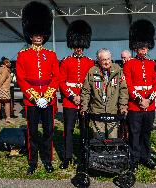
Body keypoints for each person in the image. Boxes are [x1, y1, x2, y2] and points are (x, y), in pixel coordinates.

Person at [16, 1, 59, 175]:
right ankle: (33, 161)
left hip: (47, 100)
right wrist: (35, 96)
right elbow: (21, 78)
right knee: (32, 133)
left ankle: (47, 160)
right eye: (35, 33)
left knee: (48, 132)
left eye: (40, 33)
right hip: (32, 100)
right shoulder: (22, 55)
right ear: (30, 35)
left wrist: (47, 96)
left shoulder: (51, 55)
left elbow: (56, 77)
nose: (38, 36)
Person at [123, 19, 156, 172]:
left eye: (145, 47)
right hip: (135, 106)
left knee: (146, 133)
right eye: (141, 47)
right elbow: (128, 85)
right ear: (136, 48)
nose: (144, 50)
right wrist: (139, 99)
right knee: (134, 134)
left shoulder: (152, 64)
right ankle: (134, 159)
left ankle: (146, 157)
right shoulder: (129, 64)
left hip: (149, 105)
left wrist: (149, 99)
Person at [59, 20, 94, 169]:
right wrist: (73, 96)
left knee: (85, 131)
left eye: (81, 46)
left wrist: (84, 98)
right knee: (68, 130)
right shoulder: (66, 62)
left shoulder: (90, 62)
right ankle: (67, 157)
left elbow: (92, 83)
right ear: (72, 45)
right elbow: (62, 82)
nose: (78, 48)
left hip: (85, 101)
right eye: (76, 45)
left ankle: (84, 156)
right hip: (69, 102)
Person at [81, 48, 128, 139]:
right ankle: (99, 152)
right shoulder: (92, 72)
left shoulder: (117, 70)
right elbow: (86, 91)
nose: (107, 62)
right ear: (98, 60)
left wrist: (123, 107)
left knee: (113, 139)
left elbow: (123, 90)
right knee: (99, 140)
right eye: (104, 60)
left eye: (108, 59)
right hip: (97, 111)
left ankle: (113, 152)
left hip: (113, 111)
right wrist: (84, 107)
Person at [0, 57, 14, 124]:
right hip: (4, 89)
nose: (10, 63)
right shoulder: (6, 70)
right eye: (9, 62)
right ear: (6, 63)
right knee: (7, 103)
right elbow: (2, 80)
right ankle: (8, 118)